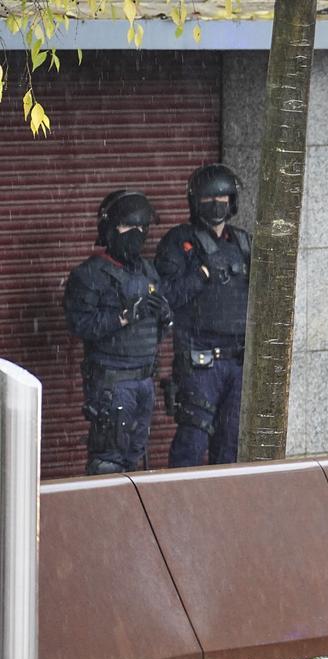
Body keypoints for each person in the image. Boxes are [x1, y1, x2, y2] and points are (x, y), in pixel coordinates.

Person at [64, 190, 172, 474]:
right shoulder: (90, 275)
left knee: (134, 459)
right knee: (109, 461)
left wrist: (164, 316)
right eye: (128, 227)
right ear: (110, 229)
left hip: (143, 381)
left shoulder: (148, 271)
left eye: (142, 228)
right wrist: (122, 318)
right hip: (112, 384)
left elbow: (156, 333)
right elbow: (80, 324)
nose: (136, 234)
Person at [155, 163, 251, 467]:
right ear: (196, 202)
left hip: (238, 361)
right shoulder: (179, 242)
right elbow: (165, 297)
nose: (217, 204)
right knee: (193, 441)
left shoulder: (243, 243)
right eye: (209, 198)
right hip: (199, 361)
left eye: (223, 197)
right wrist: (201, 275)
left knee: (231, 442)